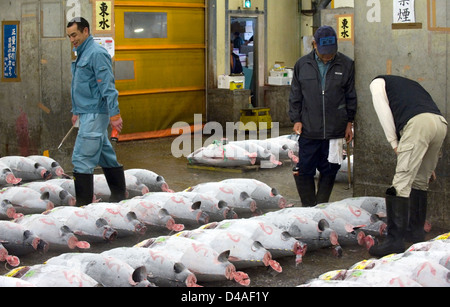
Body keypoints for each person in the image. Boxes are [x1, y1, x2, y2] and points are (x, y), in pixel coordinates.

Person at [369, 75, 447, 257]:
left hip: (417, 124)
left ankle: (394, 241)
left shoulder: (377, 83)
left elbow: (384, 114)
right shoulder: (410, 85)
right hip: (440, 124)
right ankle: (416, 232)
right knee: (421, 181)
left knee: (400, 184)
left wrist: (395, 144)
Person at [289, 26, 357, 207]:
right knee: (305, 169)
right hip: (309, 129)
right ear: (314, 45)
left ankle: (321, 206)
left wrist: (350, 122)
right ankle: (309, 207)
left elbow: (351, 95)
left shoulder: (346, 64)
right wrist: (296, 119)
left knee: (330, 169)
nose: (328, 56)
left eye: (331, 52)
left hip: (335, 130)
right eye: (324, 52)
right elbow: (295, 95)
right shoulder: (302, 65)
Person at [66, 17, 126, 206]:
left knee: (81, 159)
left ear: (85, 31)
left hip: (95, 113)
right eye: (69, 36)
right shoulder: (82, 54)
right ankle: (119, 197)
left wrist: (114, 115)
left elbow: (108, 87)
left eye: (74, 35)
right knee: (105, 155)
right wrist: (76, 111)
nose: (72, 39)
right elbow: (80, 87)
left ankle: (83, 208)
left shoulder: (96, 54)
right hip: (86, 113)